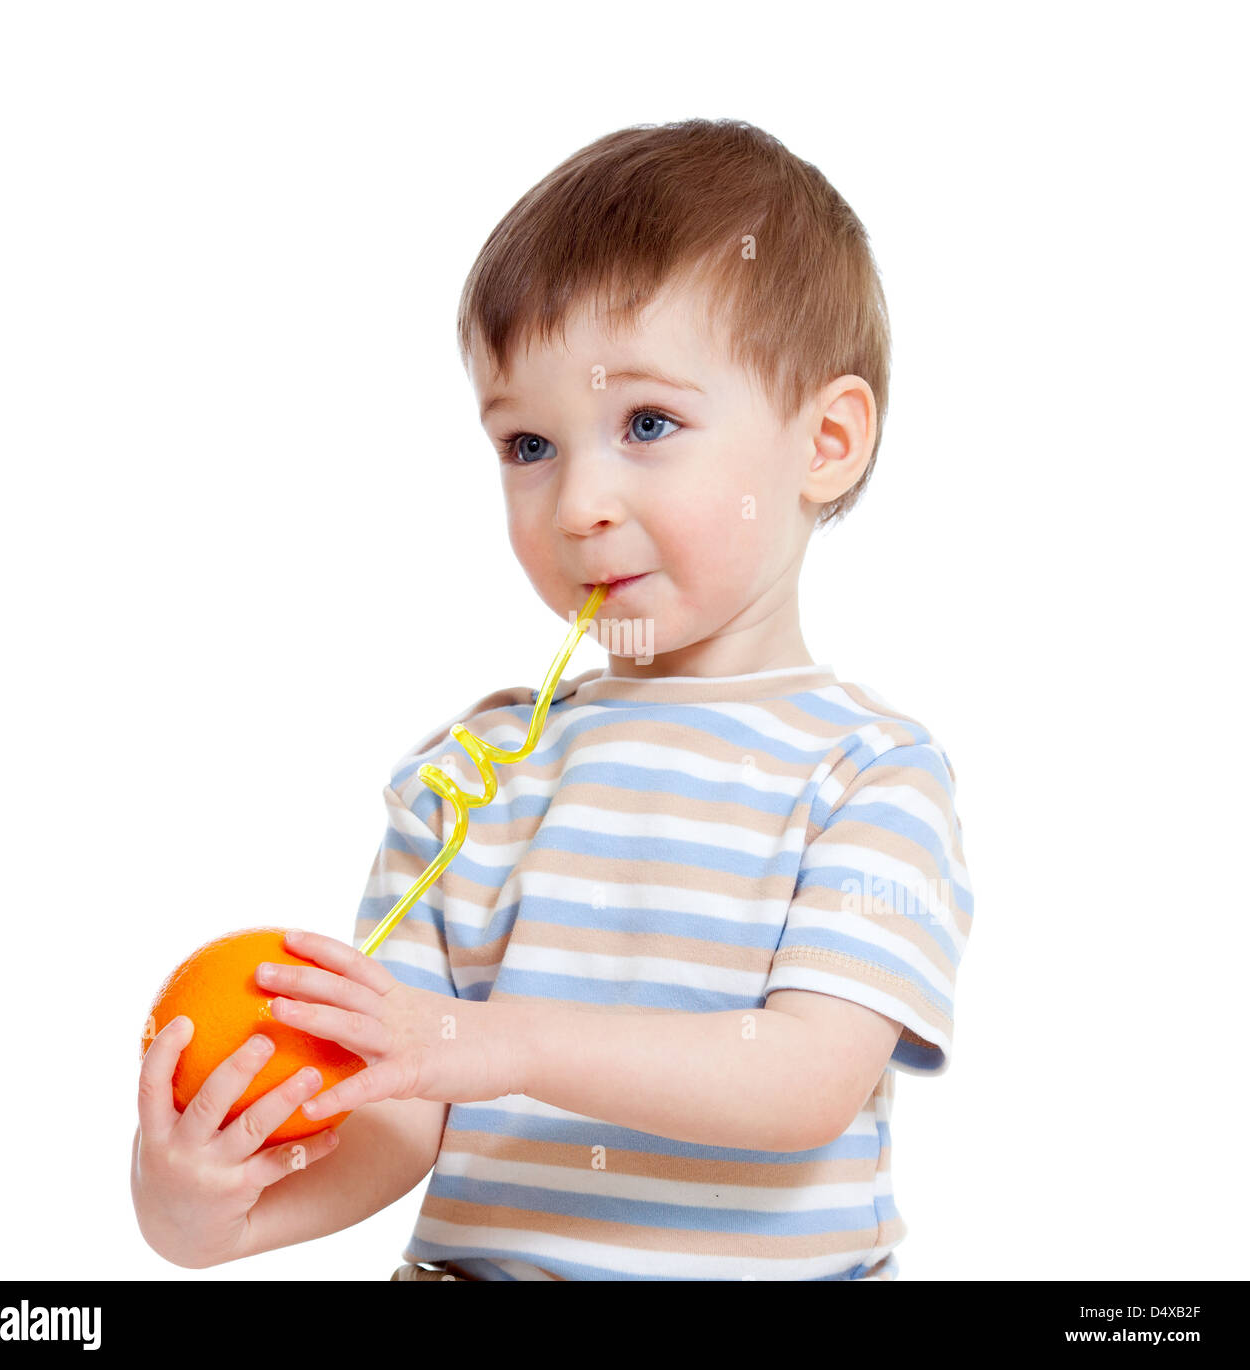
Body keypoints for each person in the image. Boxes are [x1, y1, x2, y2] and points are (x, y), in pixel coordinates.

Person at [132, 117, 972, 1282]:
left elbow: (803, 1079)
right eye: (527, 442)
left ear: (824, 442)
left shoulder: (868, 771)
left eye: (647, 423)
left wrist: (494, 1039)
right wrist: (211, 1213)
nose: (577, 499)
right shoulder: (470, 772)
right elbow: (401, 1098)